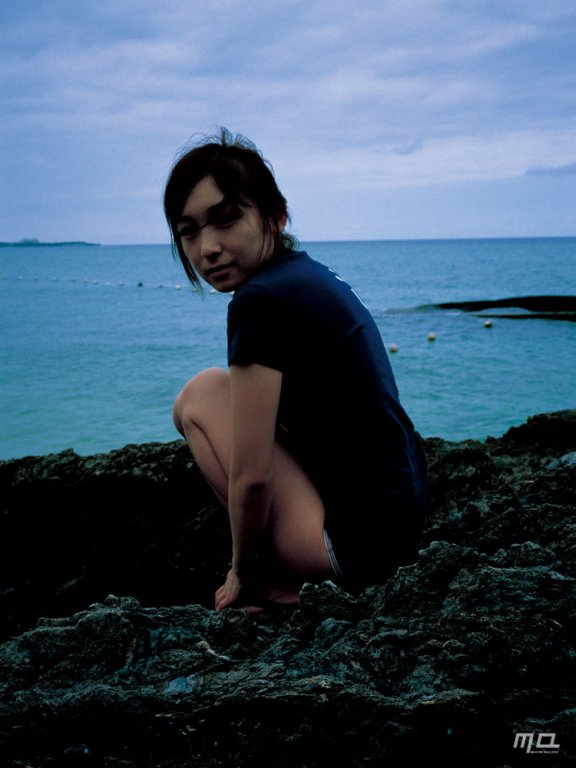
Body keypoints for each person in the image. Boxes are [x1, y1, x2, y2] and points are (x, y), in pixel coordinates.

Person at [164, 129, 427, 613]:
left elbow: (253, 477)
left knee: (199, 397)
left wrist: (242, 573)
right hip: (398, 529)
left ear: (275, 215)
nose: (207, 248)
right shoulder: (307, 275)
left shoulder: (260, 300)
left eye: (226, 220)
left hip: (352, 553)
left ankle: (274, 578)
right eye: (189, 231)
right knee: (222, 392)